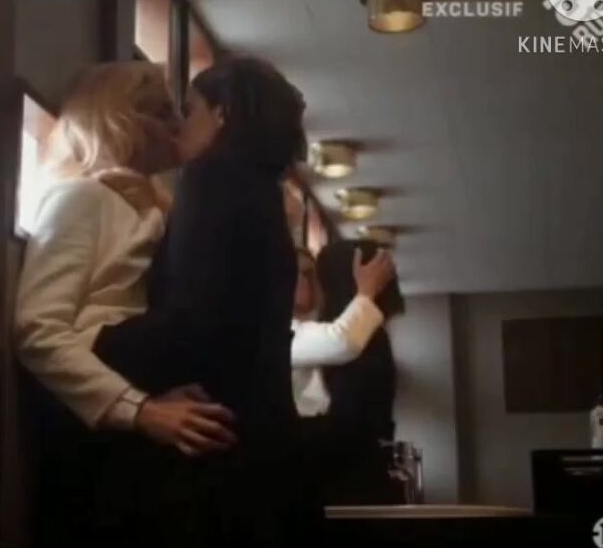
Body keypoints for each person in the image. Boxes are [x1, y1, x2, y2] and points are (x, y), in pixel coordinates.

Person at [13, 61, 239, 548]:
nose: (176, 125)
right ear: (121, 118)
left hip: (132, 427)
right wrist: (139, 410)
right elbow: (37, 329)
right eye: (161, 112)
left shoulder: (147, 209)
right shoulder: (80, 197)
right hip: (90, 437)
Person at [90, 56, 315, 546]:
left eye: (189, 110)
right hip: (268, 447)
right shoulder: (264, 195)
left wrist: (90, 342)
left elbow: (190, 322)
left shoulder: (211, 176)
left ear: (222, 113)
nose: (177, 126)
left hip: (219, 447)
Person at [304, 239, 406, 505]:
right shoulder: (371, 339)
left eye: (314, 276)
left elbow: (348, 425)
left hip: (344, 484)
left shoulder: (361, 344)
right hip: (359, 477)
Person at [289, 246, 395, 418]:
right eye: (305, 274)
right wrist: (366, 291)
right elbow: (341, 342)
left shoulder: (321, 320)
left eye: (315, 275)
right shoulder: (271, 330)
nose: (315, 283)